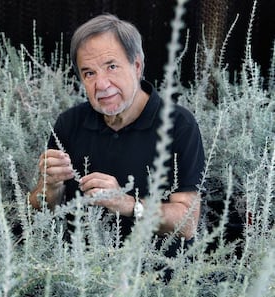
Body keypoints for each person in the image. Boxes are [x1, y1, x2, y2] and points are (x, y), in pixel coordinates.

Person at [29, 14, 205, 255]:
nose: (101, 84)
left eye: (111, 66)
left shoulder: (178, 125)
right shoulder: (69, 123)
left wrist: (127, 204)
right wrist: (50, 187)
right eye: (89, 73)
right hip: (78, 278)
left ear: (137, 66)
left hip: (155, 279)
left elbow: (188, 223)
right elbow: (40, 210)